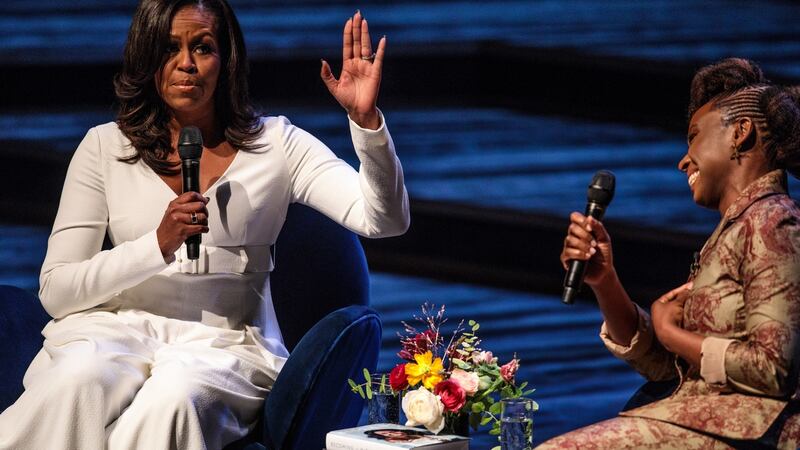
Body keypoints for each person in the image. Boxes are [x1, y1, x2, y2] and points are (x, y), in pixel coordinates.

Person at [0, 0, 409, 448]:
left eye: (203, 47)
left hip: (224, 345)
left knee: (176, 397)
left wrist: (366, 123)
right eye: (169, 48)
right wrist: (155, 245)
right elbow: (57, 292)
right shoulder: (104, 148)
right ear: (145, 57)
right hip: (115, 333)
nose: (186, 65)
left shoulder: (276, 145)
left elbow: (383, 219)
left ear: (226, 60)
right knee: (77, 381)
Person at [539, 58, 800, 449]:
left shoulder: (773, 221)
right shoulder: (734, 231)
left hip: (747, 431)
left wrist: (670, 332)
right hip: (700, 420)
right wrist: (605, 280)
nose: (683, 160)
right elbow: (670, 368)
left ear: (740, 134)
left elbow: (774, 368)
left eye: (694, 136)